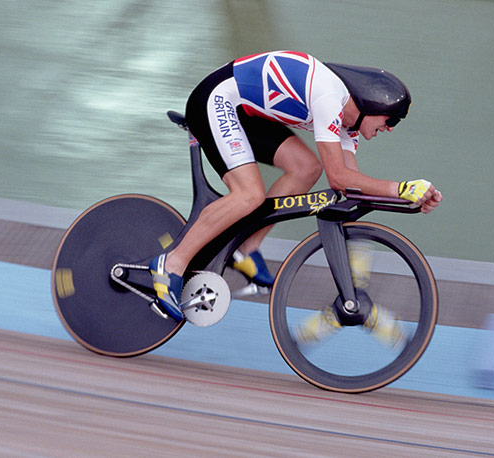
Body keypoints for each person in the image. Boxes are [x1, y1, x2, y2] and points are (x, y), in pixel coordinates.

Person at [150, 51, 443, 342]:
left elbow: (351, 187)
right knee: (248, 195)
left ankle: (246, 248)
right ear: (372, 102)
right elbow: (339, 178)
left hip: (245, 113)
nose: (390, 128)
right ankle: (171, 264)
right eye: (391, 119)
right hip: (217, 100)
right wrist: (399, 187)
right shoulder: (330, 97)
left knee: (306, 168)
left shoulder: (347, 125)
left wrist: (409, 198)